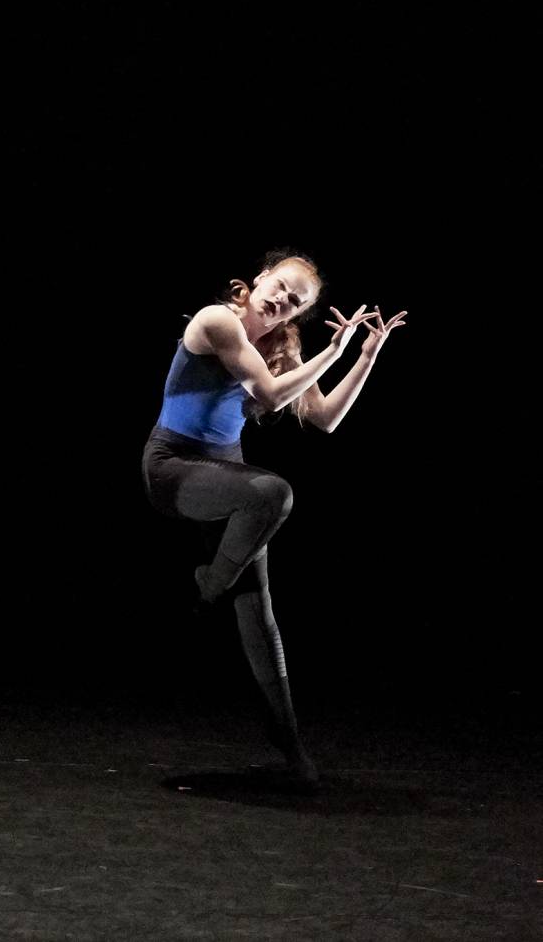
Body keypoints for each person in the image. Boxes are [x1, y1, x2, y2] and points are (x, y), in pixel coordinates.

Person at [140, 249, 406, 783]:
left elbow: (325, 419)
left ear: (296, 314)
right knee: (273, 494)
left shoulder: (282, 347)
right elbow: (270, 395)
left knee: (259, 614)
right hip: (173, 468)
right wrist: (333, 350)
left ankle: (293, 754)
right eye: (280, 286)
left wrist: (363, 357)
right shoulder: (218, 321)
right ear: (260, 279)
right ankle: (208, 586)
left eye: (295, 301)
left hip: (227, 476)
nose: (282, 299)